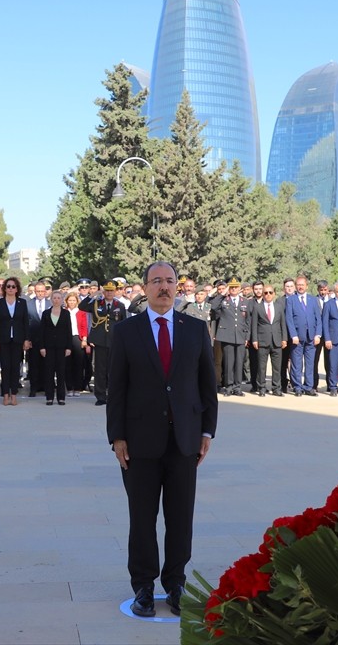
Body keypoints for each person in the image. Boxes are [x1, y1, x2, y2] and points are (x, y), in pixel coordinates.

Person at [107, 261, 218, 619]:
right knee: (142, 517)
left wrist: (207, 431)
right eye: (157, 281)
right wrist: (117, 437)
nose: (164, 287)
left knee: (180, 517)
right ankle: (143, 586)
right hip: (139, 442)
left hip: (184, 440)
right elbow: (117, 389)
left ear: (177, 287)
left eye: (170, 281)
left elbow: (207, 387)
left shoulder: (196, 329)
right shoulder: (126, 331)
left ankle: (176, 583)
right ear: (145, 287)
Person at [0, 277, 30, 406]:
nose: (11, 289)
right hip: (3, 340)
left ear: (17, 289)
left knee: (15, 368)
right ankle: (5, 394)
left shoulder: (22, 303)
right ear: (4, 288)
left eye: (13, 286)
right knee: (5, 367)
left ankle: (14, 395)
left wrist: (26, 340)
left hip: (18, 340)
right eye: (8, 286)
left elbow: (25, 323)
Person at [88, 281, 128, 406]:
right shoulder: (96, 303)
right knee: (100, 370)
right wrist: (94, 294)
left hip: (114, 341)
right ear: (104, 291)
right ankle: (100, 396)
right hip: (100, 341)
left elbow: (124, 324)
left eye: (111, 290)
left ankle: (113, 395)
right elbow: (82, 306)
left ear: (115, 291)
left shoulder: (119, 305)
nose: (109, 293)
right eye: (107, 290)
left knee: (114, 370)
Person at [212, 279, 249, 397]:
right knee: (228, 362)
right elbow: (213, 307)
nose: (233, 289)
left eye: (235, 287)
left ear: (240, 289)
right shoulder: (224, 301)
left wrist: (247, 336)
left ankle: (237, 387)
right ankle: (228, 386)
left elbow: (248, 321)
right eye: (231, 287)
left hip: (240, 335)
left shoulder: (245, 301)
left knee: (239, 362)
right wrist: (223, 292)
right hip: (227, 335)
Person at [248, 283, 286, 397]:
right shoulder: (257, 307)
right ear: (263, 295)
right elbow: (253, 324)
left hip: (277, 340)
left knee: (277, 367)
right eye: (266, 293)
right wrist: (254, 339)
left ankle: (276, 388)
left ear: (274, 294)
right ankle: (262, 388)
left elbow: (282, 324)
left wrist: (284, 339)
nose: (268, 295)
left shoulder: (279, 306)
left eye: (270, 292)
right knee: (261, 367)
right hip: (262, 341)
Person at [286, 276, 321, 397]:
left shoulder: (313, 300)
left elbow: (318, 319)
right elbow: (289, 319)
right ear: (296, 286)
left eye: (302, 285)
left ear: (307, 286)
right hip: (297, 338)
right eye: (298, 285)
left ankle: (308, 386)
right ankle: (297, 387)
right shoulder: (291, 300)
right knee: (296, 363)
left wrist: (318, 334)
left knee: (310, 363)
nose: (300, 287)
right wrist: (293, 335)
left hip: (311, 337)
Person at [38, 290, 72, 406]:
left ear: (62, 300)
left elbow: (69, 331)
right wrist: (42, 347)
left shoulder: (66, 314)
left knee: (61, 373)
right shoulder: (46, 313)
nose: (56, 300)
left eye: (58, 298)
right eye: (54, 298)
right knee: (49, 373)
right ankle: (49, 397)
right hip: (48, 347)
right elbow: (41, 331)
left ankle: (61, 397)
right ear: (51, 299)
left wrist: (69, 347)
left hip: (62, 347)